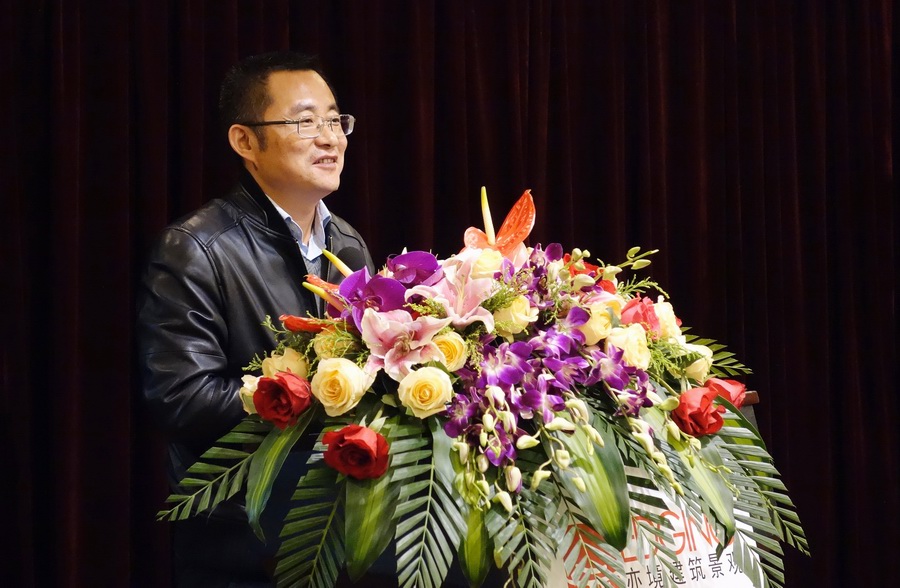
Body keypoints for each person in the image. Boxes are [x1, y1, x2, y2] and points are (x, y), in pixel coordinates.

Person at [137, 51, 374, 586]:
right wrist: (321, 392)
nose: (330, 138)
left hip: (335, 531)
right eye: (305, 122)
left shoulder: (348, 244)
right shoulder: (195, 248)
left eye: (335, 120)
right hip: (241, 542)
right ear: (245, 141)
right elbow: (182, 399)